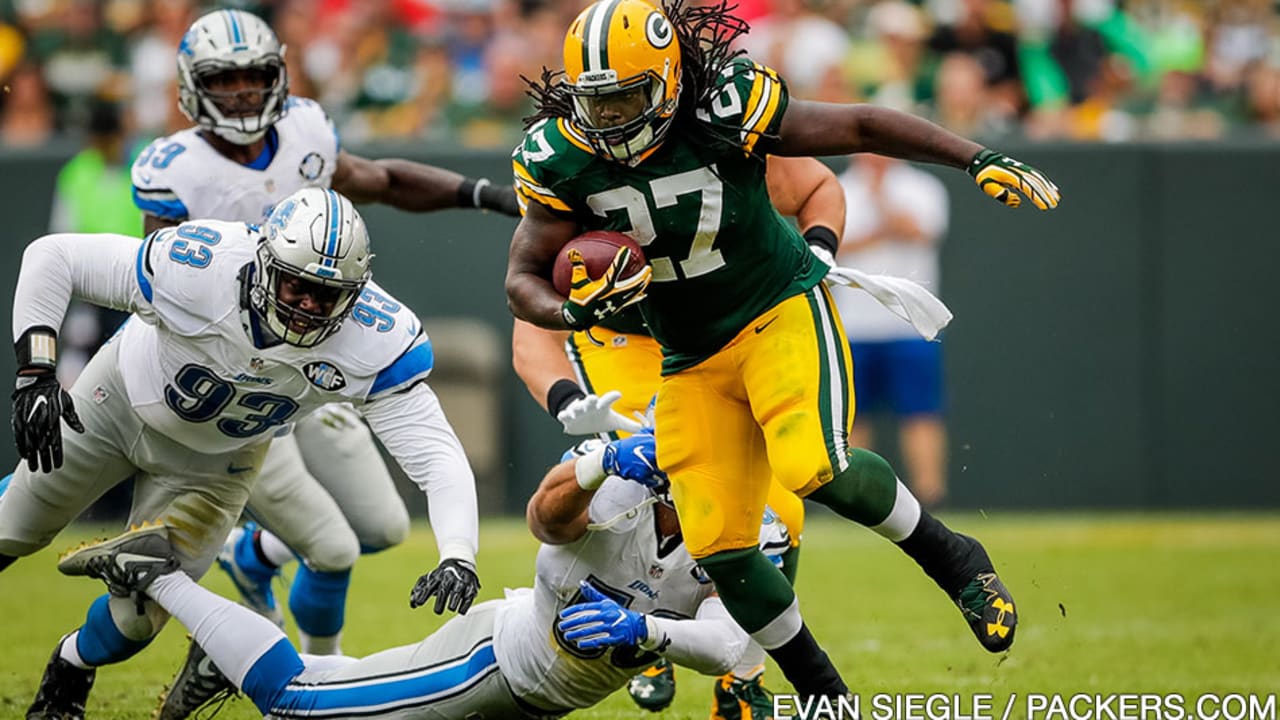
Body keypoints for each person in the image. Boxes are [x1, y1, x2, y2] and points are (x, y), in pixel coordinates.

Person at [504, 0, 1059, 700]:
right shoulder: (561, 157)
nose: (610, 121)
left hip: (776, 312)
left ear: (670, 80)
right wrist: (573, 308)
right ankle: (822, 693)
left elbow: (857, 124)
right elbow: (522, 278)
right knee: (718, 545)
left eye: (626, 99)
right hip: (689, 356)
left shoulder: (726, 109)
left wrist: (973, 157)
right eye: (597, 104)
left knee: (812, 466)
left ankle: (956, 559)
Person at [1, 188, 481, 720]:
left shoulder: (375, 337)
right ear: (264, 262)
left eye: (326, 296)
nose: (306, 306)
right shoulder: (201, 265)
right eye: (297, 285)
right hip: (118, 404)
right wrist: (36, 371)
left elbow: (436, 455)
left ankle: (69, 663)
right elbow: (54, 256)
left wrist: (458, 551)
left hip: (216, 465)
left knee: (138, 619)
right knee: (13, 526)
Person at [131, 8, 519, 656]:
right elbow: (158, 297)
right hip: (238, 380)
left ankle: (254, 555)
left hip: (316, 359)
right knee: (330, 548)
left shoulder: (306, 132)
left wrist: (482, 194)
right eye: (224, 82)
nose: (243, 94)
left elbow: (382, 180)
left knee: (382, 525)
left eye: (254, 77)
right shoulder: (177, 168)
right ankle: (311, 667)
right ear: (193, 86)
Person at [56, 432, 786, 720]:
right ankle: (164, 580)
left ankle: (225, 656)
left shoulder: (754, 527)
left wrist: (644, 631)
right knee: (297, 703)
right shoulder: (621, 482)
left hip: (535, 690)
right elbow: (545, 519)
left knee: (343, 682)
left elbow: (729, 647)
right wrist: (598, 465)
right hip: (496, 667)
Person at [510, 153, 845, 717]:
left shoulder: (713, 135)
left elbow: (817, 186)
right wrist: (567, 399)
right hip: (625, 340)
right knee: (653, 476)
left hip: (729, 325)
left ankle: (742, 676)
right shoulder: (570, 169)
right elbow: (530, 319)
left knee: (776, 513)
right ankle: (651, 628)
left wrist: (815, 255)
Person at [833, 153, 951, 508]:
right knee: (853, 419)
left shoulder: (922, 187)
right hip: (853, 326)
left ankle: (931, 499)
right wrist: (882, 230)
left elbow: (920, 231)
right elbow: (833, 245)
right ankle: (858, 502)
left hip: (911, 326)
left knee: (921, 413)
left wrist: (881, 202)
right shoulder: (839, 188)